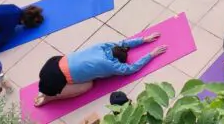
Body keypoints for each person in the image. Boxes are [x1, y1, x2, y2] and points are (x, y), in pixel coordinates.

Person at [34, 33, 167, 107]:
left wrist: (144, 39)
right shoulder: (111, 65)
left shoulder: (104, 46)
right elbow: (131, 69)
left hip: (53, 63)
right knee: (88, 85)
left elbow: (123, 43)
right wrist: (151, 55)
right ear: (118, 62)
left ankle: (46, 91)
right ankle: (49, 97)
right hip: (55, 80)